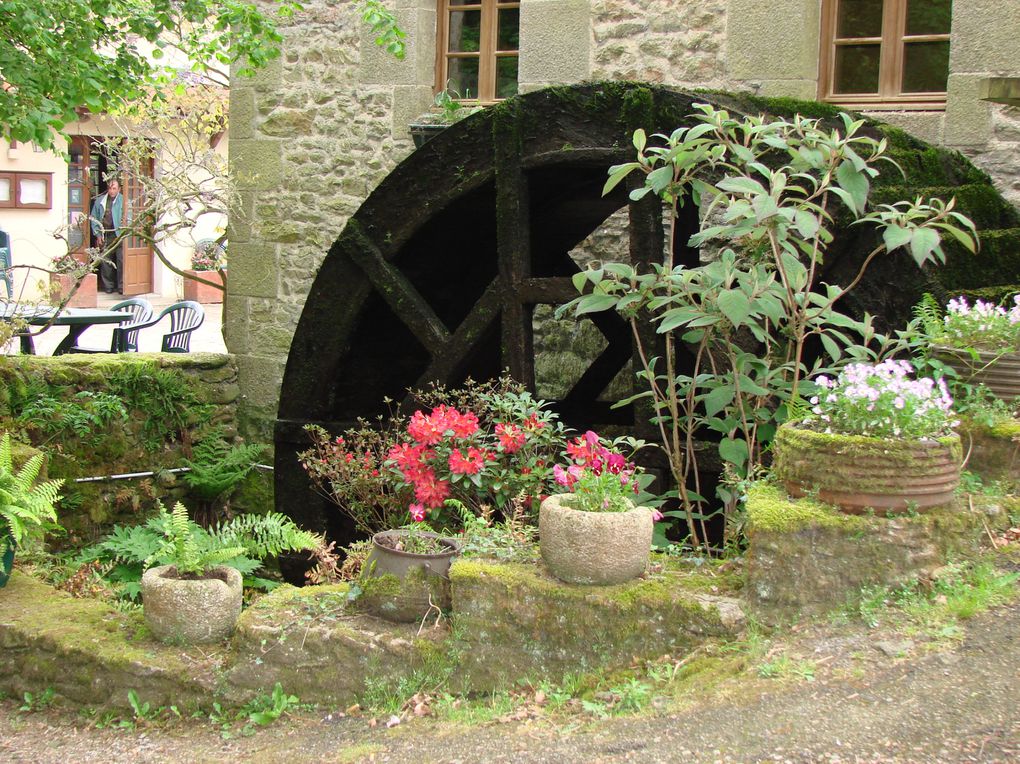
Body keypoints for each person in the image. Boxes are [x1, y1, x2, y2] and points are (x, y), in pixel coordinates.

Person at [90, 179, 124, 293]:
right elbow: (93, 218)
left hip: (120, 234)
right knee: (105, 261)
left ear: (119, 189)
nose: (111, 191)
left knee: (121, 260)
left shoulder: (123, 200)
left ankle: (122, 286)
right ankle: (108, 286)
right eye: (110, 188)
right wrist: (98, 234)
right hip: (106, 234)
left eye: (114, 188)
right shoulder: (100, 201)